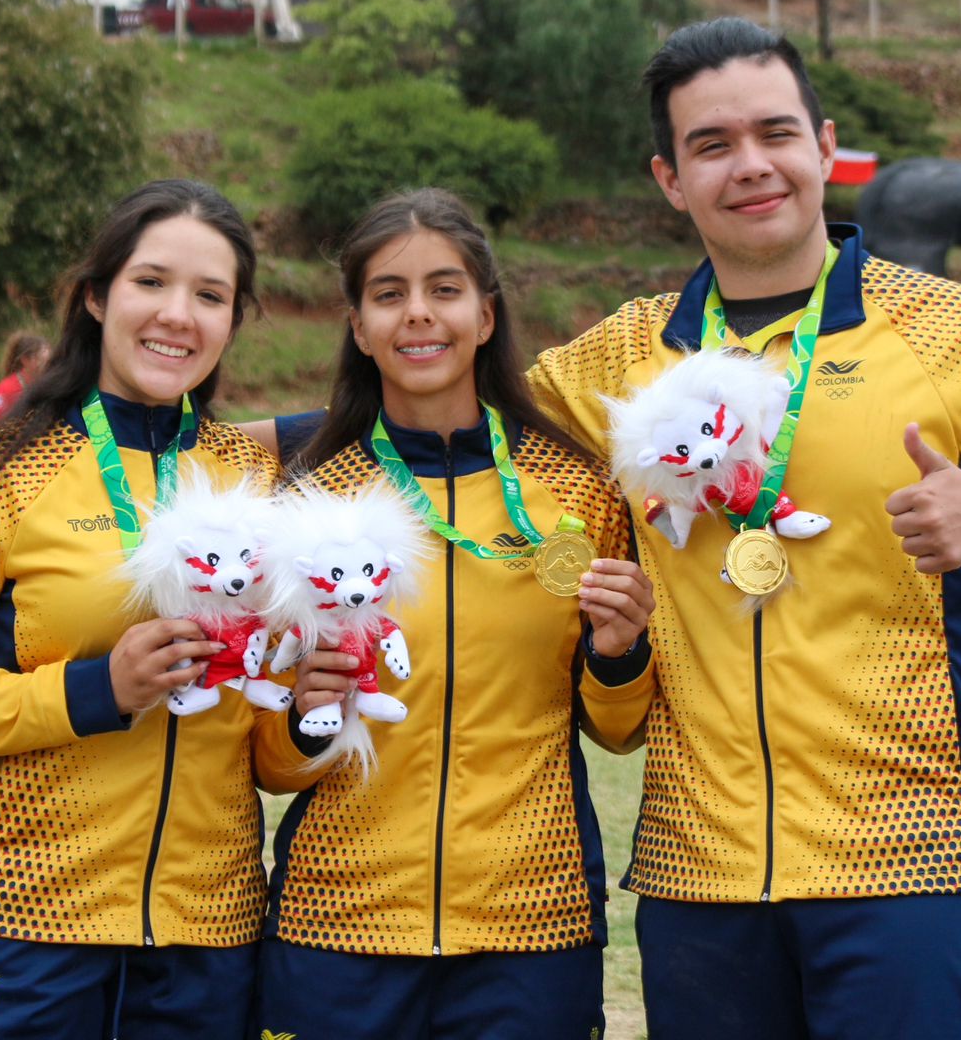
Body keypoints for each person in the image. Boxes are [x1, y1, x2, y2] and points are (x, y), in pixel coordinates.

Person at [524, 18, 961, 1039]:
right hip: (698, 884)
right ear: (668, 178)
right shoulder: (619, 359)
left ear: (824, 148)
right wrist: (213, 435)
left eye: (774, 133)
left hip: (913, 864)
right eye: (711, 145)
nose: (750, 165)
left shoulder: (953, 331)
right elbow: (442, 426)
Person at [0, 179, 322, 1040]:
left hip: (206, 939)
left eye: (210, 295)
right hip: (19, 923)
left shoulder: (256, 482)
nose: (177, 314)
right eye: (151, 281)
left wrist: (307, 724)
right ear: (96, 295)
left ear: (232, 321)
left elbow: (255, 750)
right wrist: (95, 690)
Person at [247, 188, 655, 1040]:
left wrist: (619, 655)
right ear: (358, 326)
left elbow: (615, 730)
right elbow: (272, 763)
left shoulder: (575, 487)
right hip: (338, 917)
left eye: (444, 288)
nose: (417, 314)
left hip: (531, 923)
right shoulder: (306, 494)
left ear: (485, 314)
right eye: (388, 294)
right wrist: (308, 719)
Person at [0, 330, 51, 424]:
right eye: (41, 360)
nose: (47, 366)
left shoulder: (46, 386)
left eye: (48, 361)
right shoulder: (7, 389)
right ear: (25, 360)